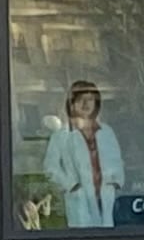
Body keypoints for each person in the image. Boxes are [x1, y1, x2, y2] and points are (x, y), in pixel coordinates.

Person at [41, 83, 121, 229]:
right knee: (82, 236)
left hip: (104, 195)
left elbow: (117, 161)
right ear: (72, 104)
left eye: (90, 99)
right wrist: (71, 185)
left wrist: (115, 182)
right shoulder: (61, 136)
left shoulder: (107, 132)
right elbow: (50, 168)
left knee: (107, 236)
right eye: (80, 99)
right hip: (79, 198)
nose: (85, 104)